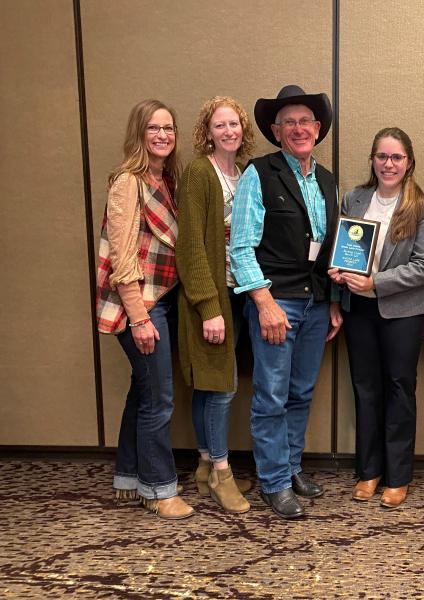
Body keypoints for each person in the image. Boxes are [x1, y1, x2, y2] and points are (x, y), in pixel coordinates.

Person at [230, 85, 342, 519]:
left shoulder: (328, 179)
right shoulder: (259, 173)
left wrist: (333, 301)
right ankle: (273, 481)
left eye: (306, 121)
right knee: (271, 396)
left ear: (318, 129)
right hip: (277, 303)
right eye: (289, 122)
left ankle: (292, 467)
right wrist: (264, 301)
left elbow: (330, 246)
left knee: (301, 392)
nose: (299, 129)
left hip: (315, 304)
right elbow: (240, 247)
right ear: (277, 132)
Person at [329, 127, 424, 509]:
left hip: (402, 313)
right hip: (357, 310)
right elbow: (342, 251)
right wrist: (338, 274)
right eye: (382, 156)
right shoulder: (354, 198)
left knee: (398, 391)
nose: (388, 164)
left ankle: (397, 475)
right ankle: (369, 470)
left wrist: (375, 282)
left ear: (409, 162)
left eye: (396, 157)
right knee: (365, 389)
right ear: (372, 160)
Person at [95, 99, 192, 519]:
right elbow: (122, 255)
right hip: (139, 304)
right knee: (159, 398)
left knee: (142, 390)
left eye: (169, 128)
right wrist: (138, 317)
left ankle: (129, 476)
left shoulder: (165, 180)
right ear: (139, 133)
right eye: (153, 128)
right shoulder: (128, 182)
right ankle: (158, 490)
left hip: (162, 300)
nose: (162, 135)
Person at [175, 96, 256, 513]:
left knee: (212, 385)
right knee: (221, 387)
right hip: (210, 298)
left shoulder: (240, 173)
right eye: (220, 125)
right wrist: (209, 307)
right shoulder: (198, 174)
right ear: (207, 131)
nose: (229, 131)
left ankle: (205, 465)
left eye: (234, 125)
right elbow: (189, 247)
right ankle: (223, 472)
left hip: (236, 293)